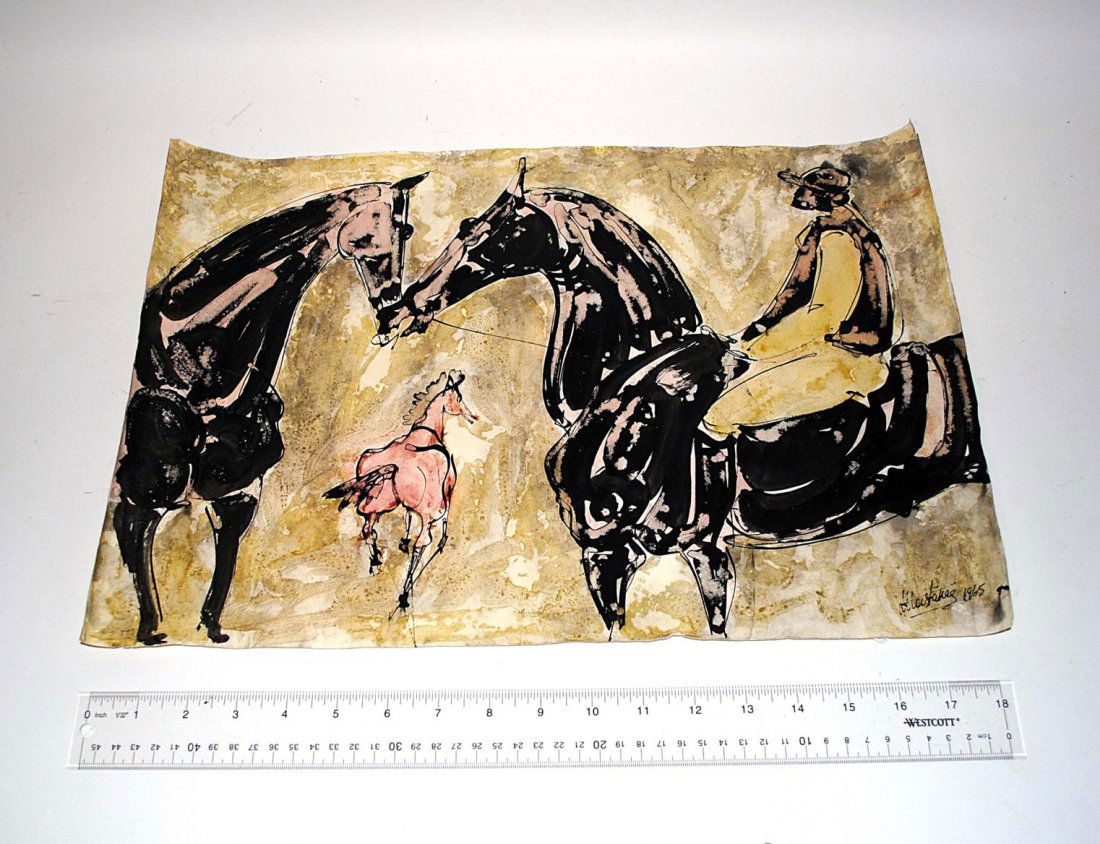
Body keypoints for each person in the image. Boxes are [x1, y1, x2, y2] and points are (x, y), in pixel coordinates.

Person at [704, 163, 897, 434]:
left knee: (719, 415)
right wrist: (748, 335)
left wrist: (754, 348)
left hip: (846, 359)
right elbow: (793, 294)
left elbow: (824, 316)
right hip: (822, 347)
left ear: (822, 196)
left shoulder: (839, 238)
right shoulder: (827, 229)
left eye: (805, 190)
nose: (799, 195)